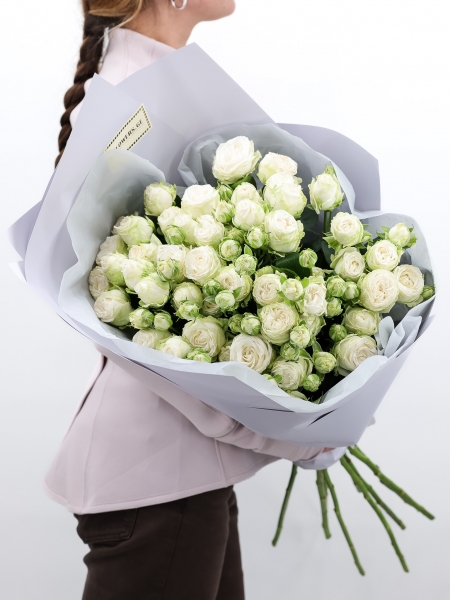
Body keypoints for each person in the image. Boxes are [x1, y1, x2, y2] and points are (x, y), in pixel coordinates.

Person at [48, 1, 345, 598]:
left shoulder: (159, 83)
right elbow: (143, 344)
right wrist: (294, 432)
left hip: (181, 480)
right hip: (156, 482)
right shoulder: (131, 98)